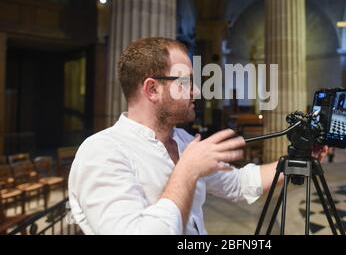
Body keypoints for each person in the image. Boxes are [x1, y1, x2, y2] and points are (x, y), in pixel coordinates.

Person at [68, 37, 329, 234]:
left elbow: (238, 182)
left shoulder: (183, 141)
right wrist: (187, 171)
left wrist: (299, 159)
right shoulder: (102, 152)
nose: (196, 91)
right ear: (152, 89)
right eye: (185, 82)